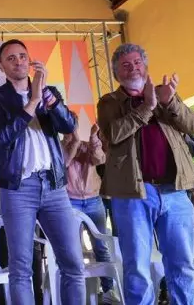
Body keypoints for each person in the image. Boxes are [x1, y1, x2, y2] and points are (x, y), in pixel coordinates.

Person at [0, 39, 85, 304]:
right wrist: (32, 103)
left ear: (30, 60)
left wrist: (47, 98)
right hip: (18, 188)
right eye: (11, 58)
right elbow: (2, 137)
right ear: (1, 65)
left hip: (53, 186)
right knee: (21, 267)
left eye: (22, 56)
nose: (18, 61)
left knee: (72, 261)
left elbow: (68, 125)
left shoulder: (48, 92)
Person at [97, 43, 194, 304]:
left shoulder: (165, 95)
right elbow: (113, 135)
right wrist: (146, 107)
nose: (133, 68)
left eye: (137, 62)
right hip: (133, 194)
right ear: (117, 72)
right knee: (137, 268)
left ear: (145, 66)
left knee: (182, 264)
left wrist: (170, 101)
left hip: (175, 192)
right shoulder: (109, 102)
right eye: (126, 65)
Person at [61, 117, 120, 302]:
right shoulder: (58, 147)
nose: (71, 128)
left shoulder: (88, 145)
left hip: (94, 201)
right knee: (73, 249)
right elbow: (63, 164)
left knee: (101, 246)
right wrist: (74, 143)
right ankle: (79, 292)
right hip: (70, 202)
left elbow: (100, 159)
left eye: (73, 124)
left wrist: (94, 138)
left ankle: (108, 290)